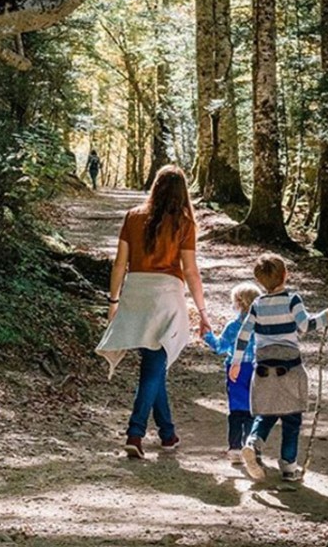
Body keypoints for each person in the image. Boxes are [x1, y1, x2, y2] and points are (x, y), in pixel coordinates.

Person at [95, 165, 211, 459]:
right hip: (167, 297)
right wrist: (202, 311)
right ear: (182, 192)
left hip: (136, 293)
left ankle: (168, 434)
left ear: (155, 187)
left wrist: (114, 301)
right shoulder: (184, 222)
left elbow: (119, 264)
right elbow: (191, 271)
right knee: (155, 363)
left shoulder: (133, 217)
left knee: (154, 364)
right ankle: (135, 432)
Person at [229, 253, 328, 482]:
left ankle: (252, 443)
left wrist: (236, 362)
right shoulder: (292, 300)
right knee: (291, 418)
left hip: (263, 368)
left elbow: (243, 335)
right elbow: (306, 325)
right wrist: (325, 317)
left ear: (259, 281)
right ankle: (288, 467)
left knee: (266, 412)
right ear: (285, 275)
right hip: (289, 367)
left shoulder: (257, 304)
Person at [203, 281, 261, 464]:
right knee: (253, 409)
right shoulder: (261, 326)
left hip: (235, 370)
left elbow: (220, 347)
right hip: (256, 369)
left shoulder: (233, 326)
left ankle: (235, 448)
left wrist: (207, 336)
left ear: (238, 303)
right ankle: (251, 447)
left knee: (236, 410)